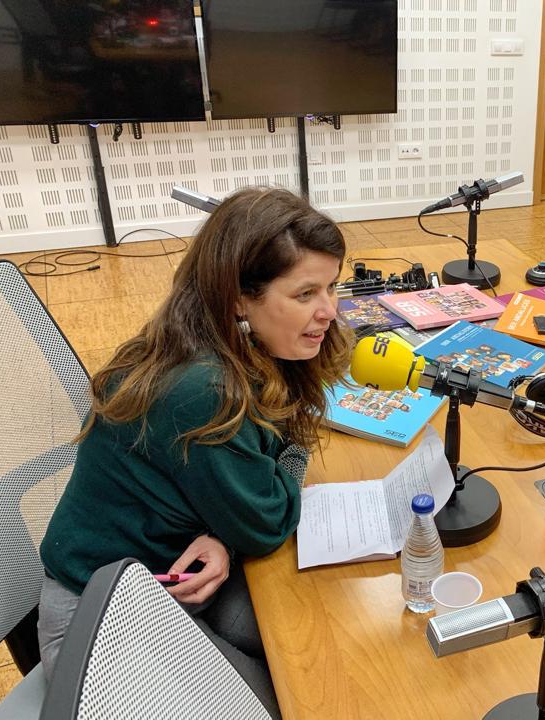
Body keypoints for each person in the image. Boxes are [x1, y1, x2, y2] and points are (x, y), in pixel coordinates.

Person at [37, 188, 351, 716]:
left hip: (170, 581)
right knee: (300, 698)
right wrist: (285, 468)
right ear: (237, 298)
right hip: (99, 625)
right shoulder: (203, 387)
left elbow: (249, 493)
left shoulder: (221, 342)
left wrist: (223, 533)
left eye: (333, 287)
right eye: (305, 295)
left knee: (314, 633)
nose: (329, 312)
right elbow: (269, 519)